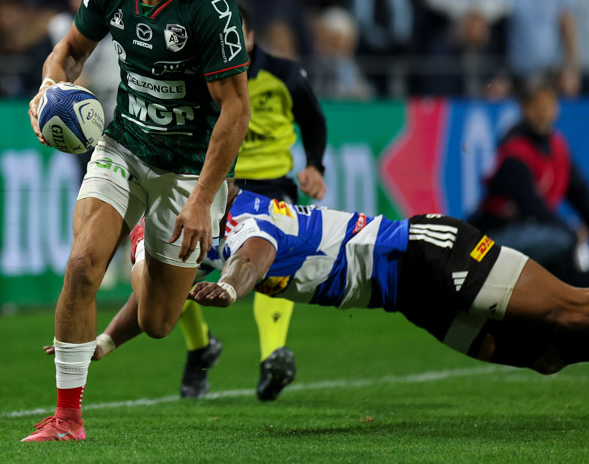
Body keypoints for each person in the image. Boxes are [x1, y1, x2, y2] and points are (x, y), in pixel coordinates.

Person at [22, 0, 252, 442]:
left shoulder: (211, 10)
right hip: (123, 144)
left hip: (187, 171)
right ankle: (67, 417)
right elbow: (72, 50)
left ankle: (148, 242)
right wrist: (50, 88)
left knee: (157, 323)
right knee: (81, 267)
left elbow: (236, 113)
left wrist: (201, 202)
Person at [88, 185, 589, 383]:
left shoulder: (243, 215)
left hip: (427, 252)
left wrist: (232, 288)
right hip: (408, 299)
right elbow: (148, 298)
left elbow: (255, 255)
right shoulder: (200, 233)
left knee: (570, 311)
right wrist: (108, 340)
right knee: (547, 355)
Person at [176, 4, 327, 401]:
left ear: (251, 37)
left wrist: (314, 165)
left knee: (264, 265)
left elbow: (313, 120)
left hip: (271, 186)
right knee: (170, 264)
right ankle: (199, 348)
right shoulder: (196, 76)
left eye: (234, 35)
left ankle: (272, 357)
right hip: (215, 184)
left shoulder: (285, 75)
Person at [469, 78, 589, 287]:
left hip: (532, 230)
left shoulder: (557, 148)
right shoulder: (515, 150)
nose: (544, 112)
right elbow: (533, 208)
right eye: (537, 105)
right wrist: (572, 232)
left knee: (562, 242)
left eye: (549, 104)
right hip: (495, 237)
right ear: (524, 108)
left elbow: (580, 195)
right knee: (563, 241)